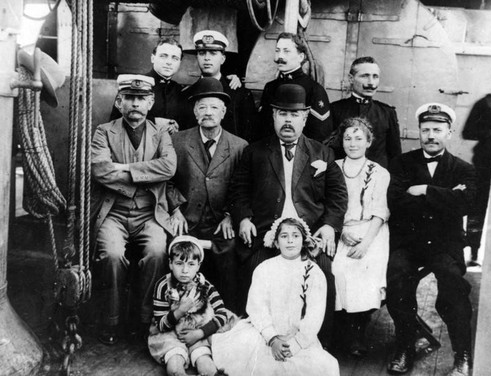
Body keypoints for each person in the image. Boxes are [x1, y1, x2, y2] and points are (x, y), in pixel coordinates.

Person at [229, 83, 348, 342]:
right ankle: (259, 338)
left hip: (309, 236)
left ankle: (318, 342)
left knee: (325, 273)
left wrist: (329, 225)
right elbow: (239, 191)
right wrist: (244, 218)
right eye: (282, 113)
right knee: (254, 269)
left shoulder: (322, 153)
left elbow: (338, 195)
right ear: (273, 116)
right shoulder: (255, 152)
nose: (288, 120)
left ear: (305, 117)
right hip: (265, 233)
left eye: (294, 115)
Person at [386, 103, 476, 375]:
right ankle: (404, 346)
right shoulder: (402, 163)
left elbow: (466, 203)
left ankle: (462, 354)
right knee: (397, 277)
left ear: (449, 132)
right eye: (425, 130)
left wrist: (424, 189)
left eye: (437, 129)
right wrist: (446, 196)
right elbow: (397, 202)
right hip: (409, 243)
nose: (431, 135)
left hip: (445, 243)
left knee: (453, 283)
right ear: (419, 133)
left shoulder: (464, 168)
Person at [91, 74, 177, 344]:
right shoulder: (104, 131)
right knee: (113, 255)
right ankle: (111, 321)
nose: (135, 104)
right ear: (119, 102)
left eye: (141, 99)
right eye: (129, 98)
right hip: (113, 212)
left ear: (151, 103)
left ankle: (144, 319)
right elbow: (101, 170)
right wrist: (144, 175)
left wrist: (125, 169)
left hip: (149, 214)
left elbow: (168, 167)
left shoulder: (161, 133)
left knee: (157, 251)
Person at [211, 217, 340, 376]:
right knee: (253, 362)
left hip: (298, 338)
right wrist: (272, 339)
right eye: (284, 236)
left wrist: (295, 344)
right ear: (276, 242)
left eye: (295, 236)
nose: (290, 241)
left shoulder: (314, 273)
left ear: (304, 240)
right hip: (264, 334)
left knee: (321, 367)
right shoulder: (264, 268)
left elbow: (315, 316)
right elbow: (257, 307)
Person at [166, 77, 248, 312]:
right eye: (202, 107)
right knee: (175, 251)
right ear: (194, 111)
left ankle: (228, 314)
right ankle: (175, 313)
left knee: (231, 251)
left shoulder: (240, 146)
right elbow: (166, 181)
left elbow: (242, 188)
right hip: (187, 219)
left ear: (223, 112)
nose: (208, 112)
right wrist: (175, 210)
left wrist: (230, 215)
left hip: (220, 222)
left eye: (214, 107)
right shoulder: (177, 141)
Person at [330, 117, 390, 356]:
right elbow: (329, 206)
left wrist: (366, 243)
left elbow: (380, 212)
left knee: (364, 271)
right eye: (347, 138)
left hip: (371, 232)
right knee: (336, 271)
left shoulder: (379, 172)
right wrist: (341, 231)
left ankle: (357, 333)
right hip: (340, 230)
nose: (352, 143)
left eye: (358, 138)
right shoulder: (332, 168)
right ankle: (339, 331)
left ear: (368, 141)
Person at [148, 235, 229, 376]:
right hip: (170, 335)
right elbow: (161, 324)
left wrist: (200, 333)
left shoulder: (205, 285)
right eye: (179, 263)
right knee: (174, 366)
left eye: (191, 264)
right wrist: (180, 310)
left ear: (198, 265)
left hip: (198, 333)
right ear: (170, 263)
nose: (185, 270)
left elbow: (222, 314)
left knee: (206, 364)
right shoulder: (163, 286)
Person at [181, 30, 256, 141]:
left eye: (213, 53)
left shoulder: (239, 93)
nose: (207, 58)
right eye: (202, 53)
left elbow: (249, 136)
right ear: (197, 57)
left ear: (223, 59)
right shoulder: (186, 94)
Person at [256, 32, 332, 142]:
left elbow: (320, 134)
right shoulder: (270, 87)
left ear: (301, 57)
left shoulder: (314, 89)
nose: (280, 56)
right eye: (277, 51)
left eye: (286, 51)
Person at [329, 56, 401, 168]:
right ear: (351, 78)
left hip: (376, 179)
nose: (371, 82)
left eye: (375, 76)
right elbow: (327, 150)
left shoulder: (387, 113)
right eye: (365, 76)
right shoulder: (335, 109)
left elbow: (395, 155)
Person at [109, 37, 184, 134]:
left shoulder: (178, 90)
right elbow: (115, 122)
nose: (169, 62)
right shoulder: (136, 84)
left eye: (175, 58)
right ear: (153, 58)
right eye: (163, 56)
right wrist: (154, 122)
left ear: (179, 63)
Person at [462, 84, 491, 266]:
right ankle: (474, 252)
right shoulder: (486, 103)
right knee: (479, 206)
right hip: (486, 163)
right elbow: (467, 132)